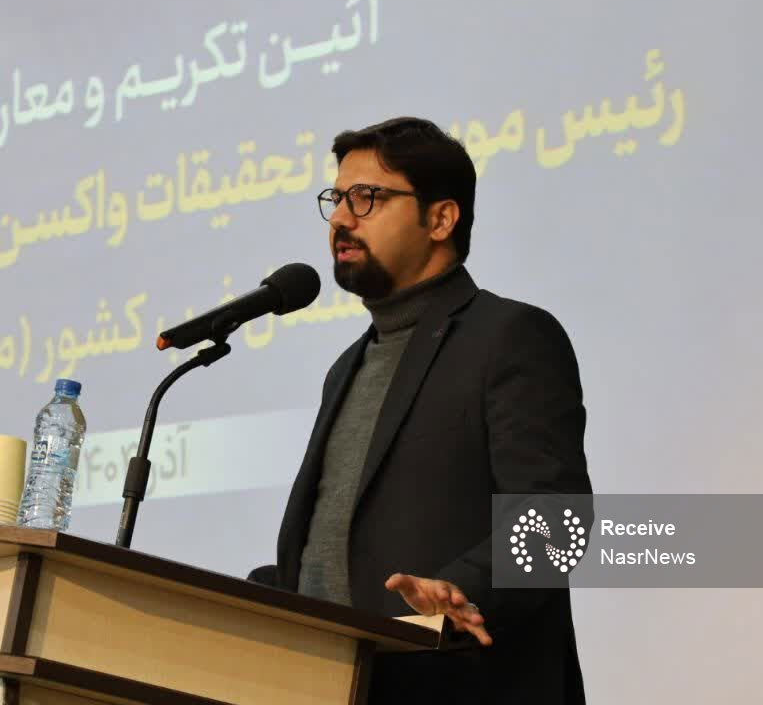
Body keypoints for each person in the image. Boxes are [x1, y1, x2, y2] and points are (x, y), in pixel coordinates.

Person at [248, 116, 592, 703]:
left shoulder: (508, 337)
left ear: (441, 219)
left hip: (458, 684)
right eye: (336, 198)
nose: (341, 218)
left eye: (367, 197)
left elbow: (558, 522)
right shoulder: (348, 367)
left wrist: (459, 590)